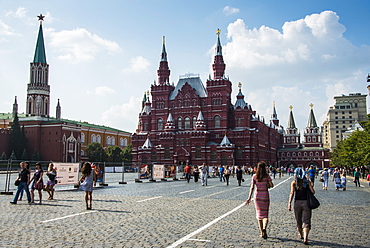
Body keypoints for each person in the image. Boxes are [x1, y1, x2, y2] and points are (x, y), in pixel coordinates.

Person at [246, 161, 274, 239]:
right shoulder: (267, 176)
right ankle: (265, 228)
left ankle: (261, 232)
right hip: (265, 196)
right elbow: (271, 185)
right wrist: (268, 184)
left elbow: (252, 188)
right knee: (265, 215)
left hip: (257, 197)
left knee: (259, 215)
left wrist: (249, 198)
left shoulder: (255, 176)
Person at [288, 167, 315, 245]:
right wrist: (311, 186)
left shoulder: (294, 183)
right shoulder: (307, 182)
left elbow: (292, 193)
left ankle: (300, 234)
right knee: (306, 221)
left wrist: (289, 203)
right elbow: (313, 192)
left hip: (297, 203)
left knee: (298, 220)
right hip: (306, 203)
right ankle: (306, 238)